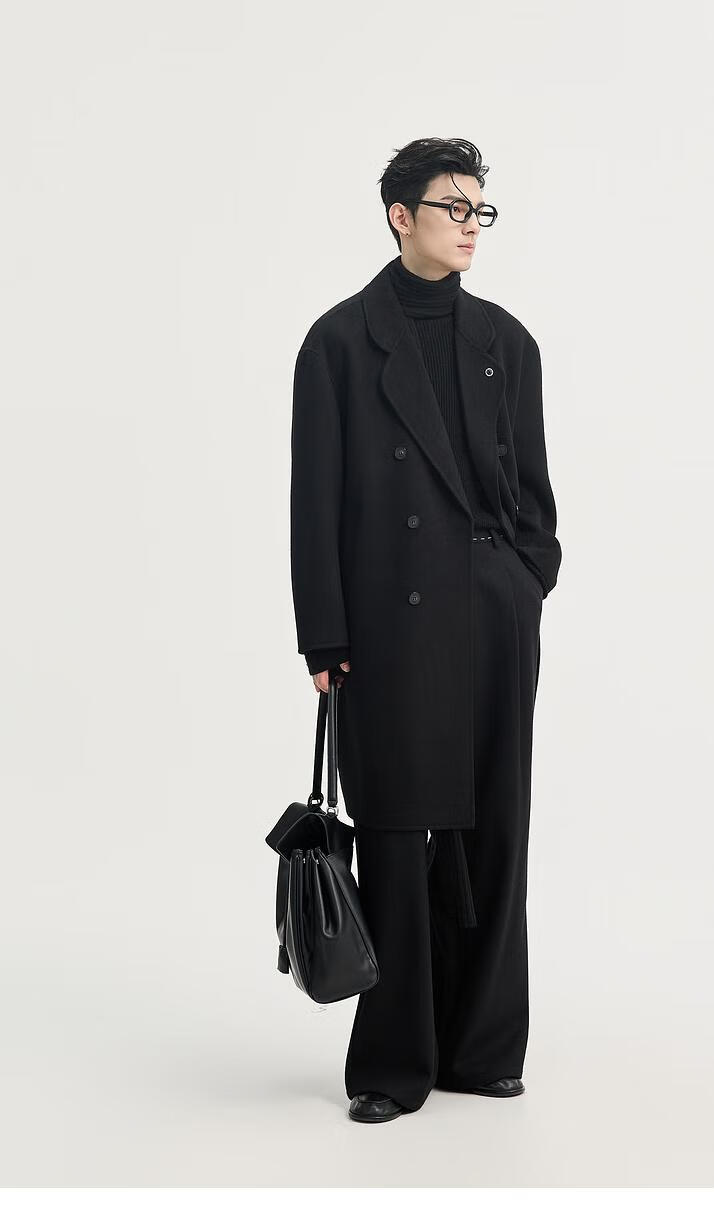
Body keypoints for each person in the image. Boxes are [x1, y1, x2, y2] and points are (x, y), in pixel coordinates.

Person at [289, 137, 561, 1122]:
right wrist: (324, 637)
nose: (470, 225)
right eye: (453, 206)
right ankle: (393, 1063)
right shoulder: (337, 341)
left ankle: (482, 1048)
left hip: (491, 616)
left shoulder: (506, 342)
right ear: (400, 216)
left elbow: (533, 491)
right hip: (387, 625)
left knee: (494, 829)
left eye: (479, 208)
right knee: (398, 837)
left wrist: (524, 579)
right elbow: (314, 501)